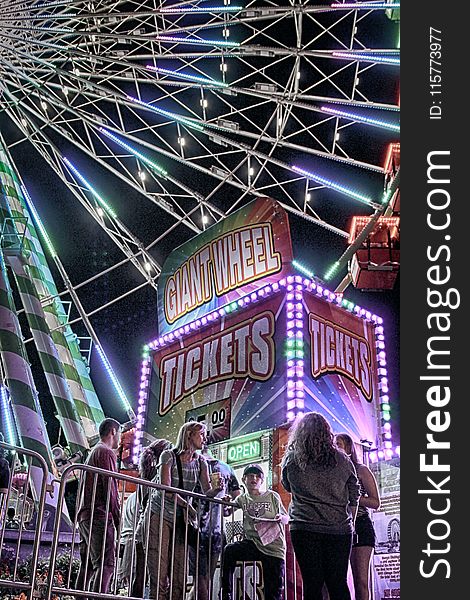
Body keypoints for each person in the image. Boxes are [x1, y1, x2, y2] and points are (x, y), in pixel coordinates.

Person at [281, 412, 360, 600]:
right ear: (327, 432)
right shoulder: (342, 460)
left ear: (300, 433)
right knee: (338, 583)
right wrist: (351, 522)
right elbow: (354, 494)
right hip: (339, 529)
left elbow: (287, 485)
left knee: (312, 583)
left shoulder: (292, 460)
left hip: (304, 527)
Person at [146, 421, 223, 600]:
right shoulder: (168, 456)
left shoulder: (201, 461)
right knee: (159, 568)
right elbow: (165, 489)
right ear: (189, 435)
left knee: (179, 571)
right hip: (161, 513)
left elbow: (206, 492)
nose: (205, 438)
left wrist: (218, 490)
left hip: (181, 518)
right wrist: (187, 505)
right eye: (201, 434)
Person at [221, 463, 288, 600]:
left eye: (258, 476)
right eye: (250, 475)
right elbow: (227, 513)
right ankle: (226, 592)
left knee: (273, 593)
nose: (254, 478)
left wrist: (280, 518)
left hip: (274, 547)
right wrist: (225, 503)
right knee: (230, 550)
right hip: (254, 543)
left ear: (262, 480)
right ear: (244, 479)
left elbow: (287, 518)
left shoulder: (272, 496)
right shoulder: (242, 498)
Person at [188, 445, 241, 600]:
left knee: (201, 576)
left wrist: (227, 507)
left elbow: (236, 497)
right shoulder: (226, 468)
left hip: (197, 526)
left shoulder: (193, 465)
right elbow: (237, 496)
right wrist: (228, 508)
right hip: (216, 528)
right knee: (206, 576)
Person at [76, 417, 121, 594]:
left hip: (86, 516)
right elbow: (110, 488)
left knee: (87, 567)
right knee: (106, 564)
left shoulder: (93, 453)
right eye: (120, 433)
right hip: (99, 515)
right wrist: (117, 518)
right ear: (113, 432)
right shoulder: (105, 452)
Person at [335, 433, 380, 600]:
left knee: (360, 580)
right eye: (333, 444)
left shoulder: (361, 469)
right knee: (335, 579)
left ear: (348, 447)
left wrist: (353, 497)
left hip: (360, 524)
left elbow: (376, 502)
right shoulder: (332, 472)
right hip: (338, 525)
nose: (335, 447)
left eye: (338, 444)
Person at [129, 438, 172, 597]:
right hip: (153, 525)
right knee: (159, 575)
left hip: (141, 528)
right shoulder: (160, 475)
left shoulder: (143, 476)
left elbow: (141, 503)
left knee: (139, 575)